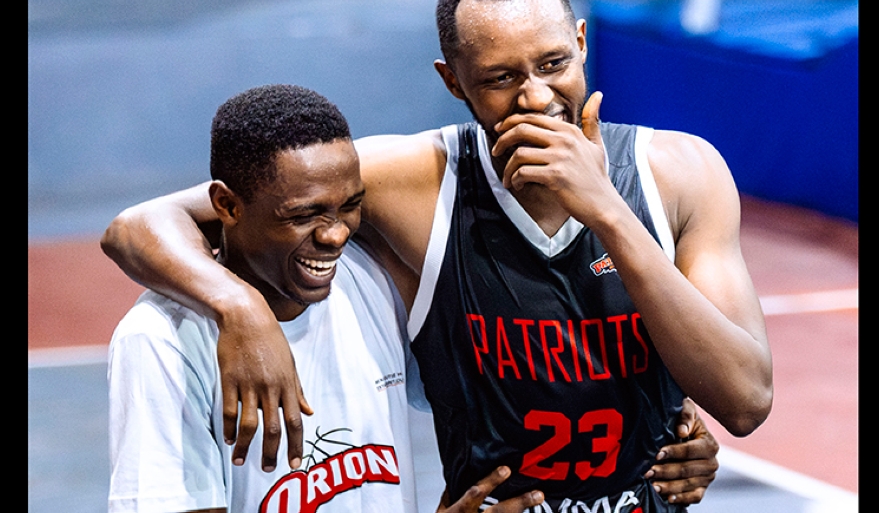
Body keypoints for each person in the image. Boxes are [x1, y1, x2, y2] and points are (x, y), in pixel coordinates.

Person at [103, 0, 768, 511]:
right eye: (501, 78)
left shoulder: (680, 173)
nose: (535, 97)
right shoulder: (412, 180)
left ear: (585, 43)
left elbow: (745, 400)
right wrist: (239, 307)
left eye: (553, 62)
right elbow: (139, 225)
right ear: (453, 83)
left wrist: (607, 211)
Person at [106, 84, 548, 513]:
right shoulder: (161, 340)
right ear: (228, 205)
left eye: (350, 205)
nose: (336, 234)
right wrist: (242, 309)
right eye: (303, 215)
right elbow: (129, 228)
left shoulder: (372, 281)